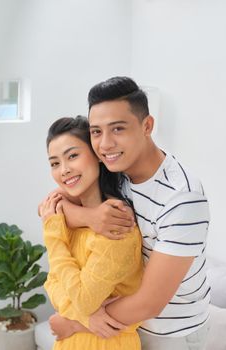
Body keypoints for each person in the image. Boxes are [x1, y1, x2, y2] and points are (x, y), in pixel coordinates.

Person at [47, 77, 211, 350]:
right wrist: (90, 217)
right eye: (97, 132)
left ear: (147, 126)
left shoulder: (182, 198)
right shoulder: (116, 172)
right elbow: (52, 208)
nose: (106, 144)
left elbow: (150, 302)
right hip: (123, 329)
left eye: (118, 129)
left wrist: (77, 321)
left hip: (171, 334)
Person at [38, 116, 144, 350]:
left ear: (98, 155)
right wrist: (85, 318)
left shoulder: (118, 224)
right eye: (54, 163)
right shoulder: (71, 218)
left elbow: (84, 300)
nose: (64, 170)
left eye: (72, 156)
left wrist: (53, 237)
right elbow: (52, 282)